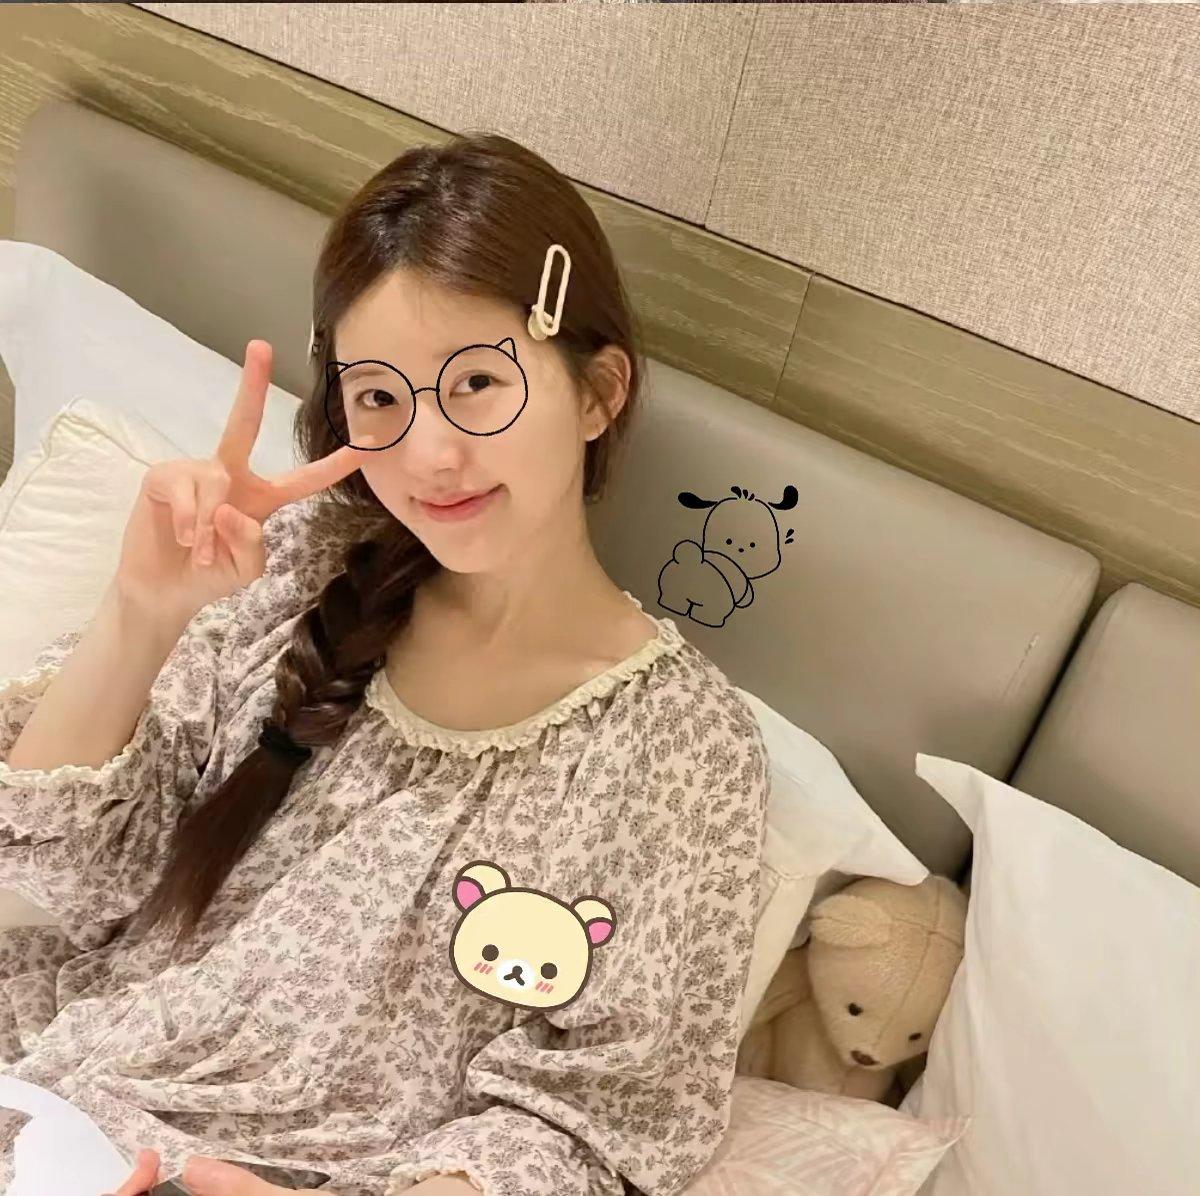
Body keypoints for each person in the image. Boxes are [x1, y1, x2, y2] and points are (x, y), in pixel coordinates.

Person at [0, 131, 769, 1196]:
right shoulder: (297, 570)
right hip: (53, 1099)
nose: (429, 456)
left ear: (599, 391)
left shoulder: (683, 750)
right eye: (380, 398)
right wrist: (139, 614)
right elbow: (76, 876)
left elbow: (597, 1122)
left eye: (478, 383)